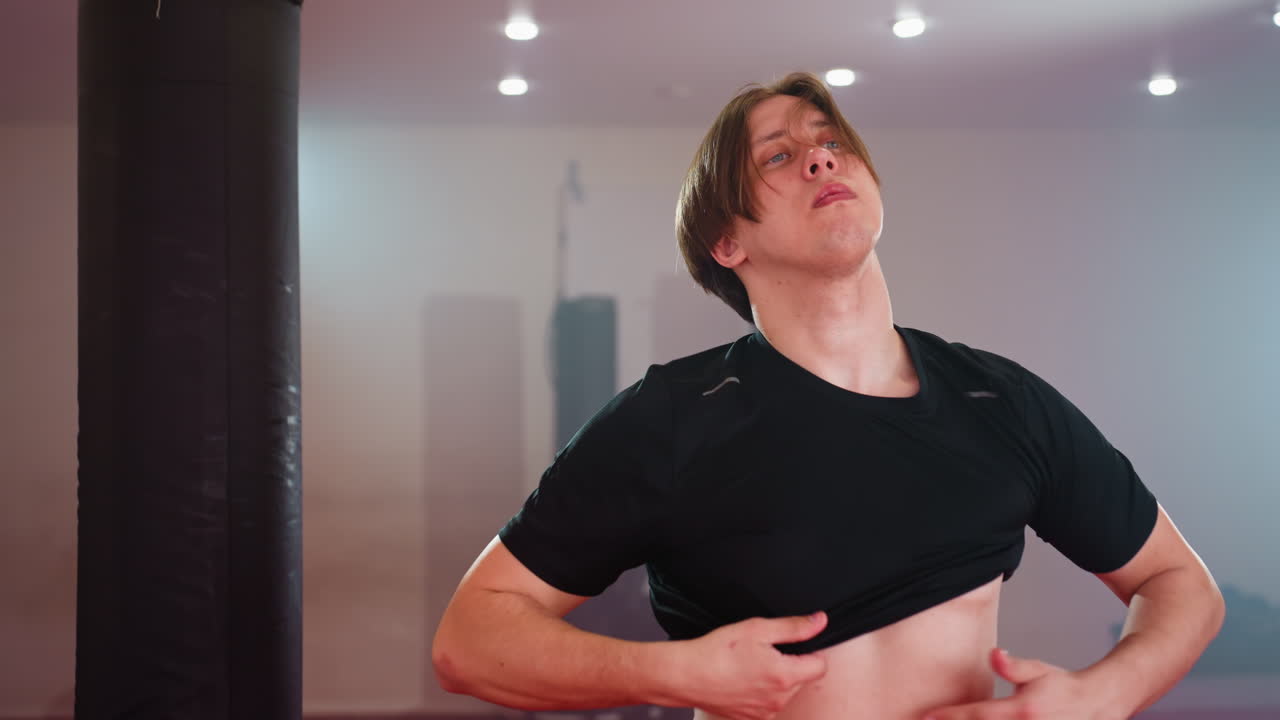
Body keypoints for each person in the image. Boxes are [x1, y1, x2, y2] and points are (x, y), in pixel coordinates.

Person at [431, 72, 1225, 720]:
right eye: (777, 158)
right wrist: (673, 674)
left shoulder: (998, 398)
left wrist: (1099, 697)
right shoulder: (672, 417)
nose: (819, 160)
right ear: (727, 242)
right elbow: (469, 640)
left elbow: (1181, 584)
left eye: (831, 143)